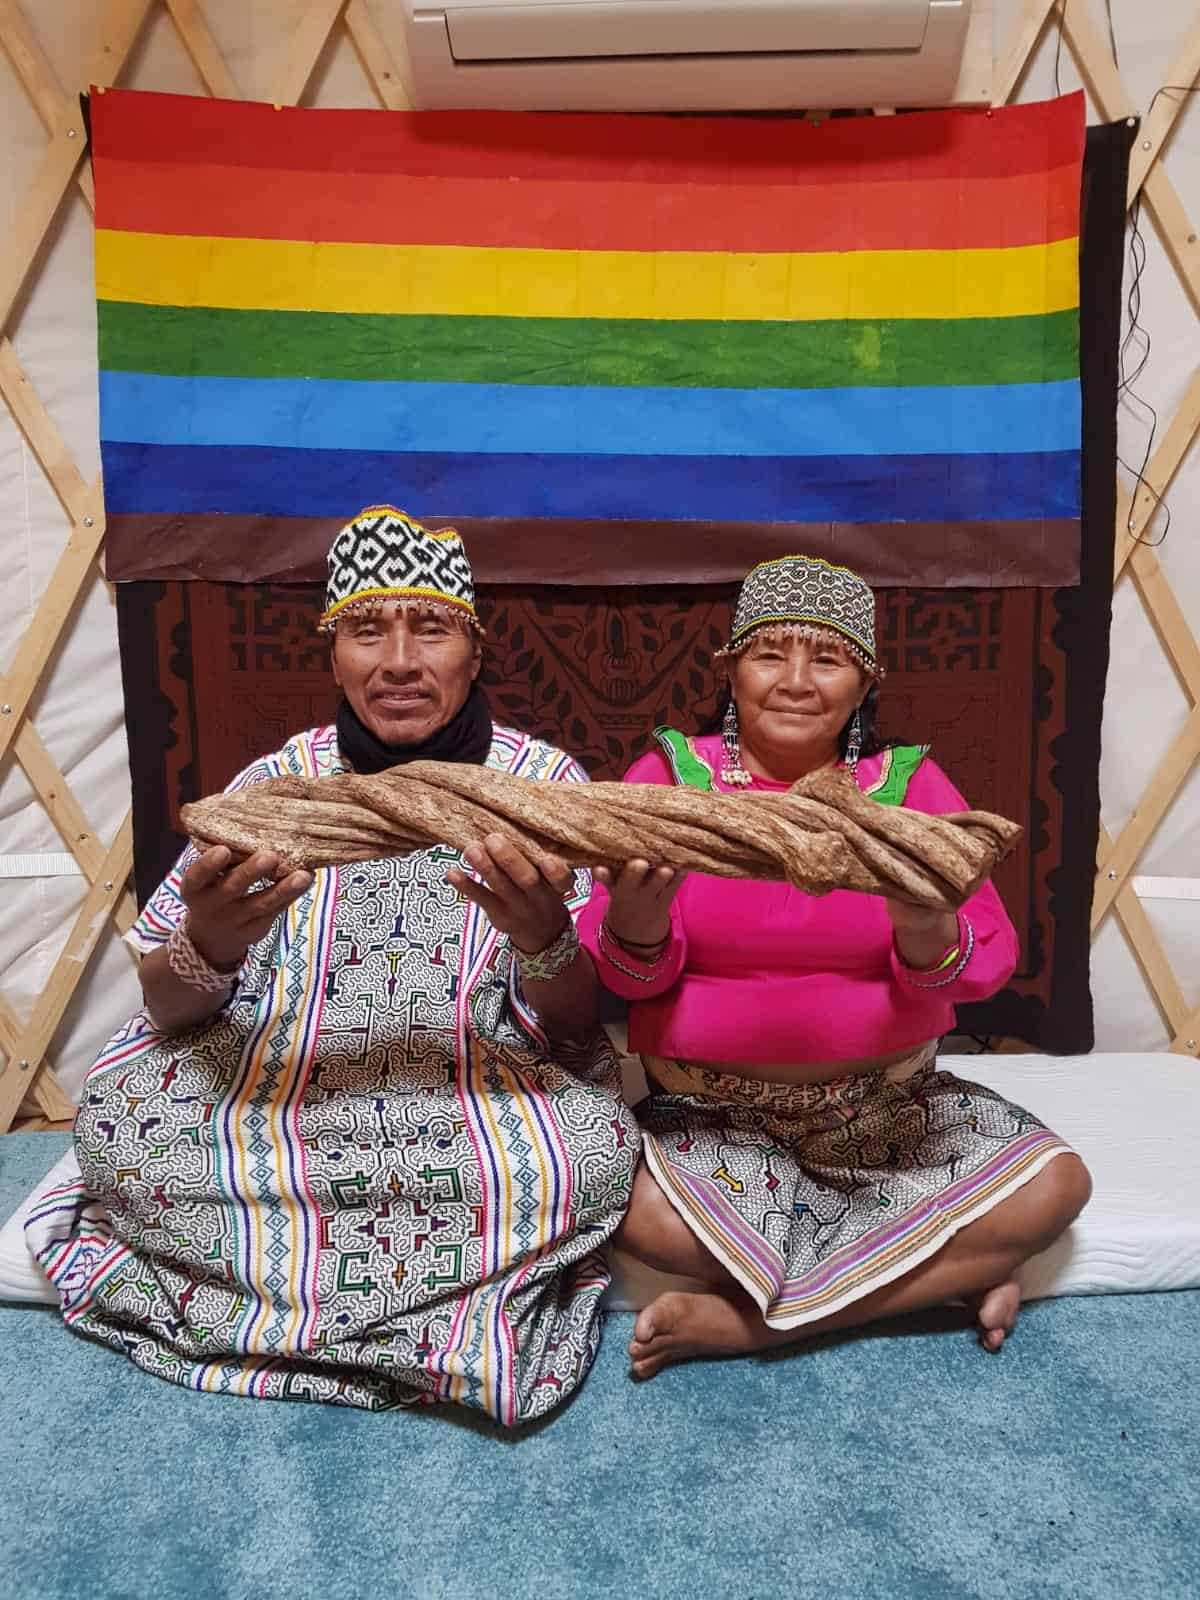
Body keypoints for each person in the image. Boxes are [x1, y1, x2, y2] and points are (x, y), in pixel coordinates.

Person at [26, 506, 637, 1426]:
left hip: (473, 1086)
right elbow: (163, 1007)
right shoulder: (275, 790)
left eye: (429, 628)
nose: (398, 661)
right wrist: (213, 943)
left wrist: (543, 937)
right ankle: (432, 1332)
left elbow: (579, 1024)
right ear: (334, 652)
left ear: (474, 650)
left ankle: (277, 1308)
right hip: (281, 1085)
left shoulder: (542, 789)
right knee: (117, 1127)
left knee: (588, 1154)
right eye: (366, 629)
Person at [577, 554, 1091, 1379]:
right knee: (626, 1209)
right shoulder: (670, 780)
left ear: (865, 683)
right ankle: (936, 1280)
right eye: (770, 653)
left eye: (828, 657)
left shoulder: (908, 786)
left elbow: (988, 963)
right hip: (712, 1118)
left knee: (1057, 1187)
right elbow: (625, 977)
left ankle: (764, 1325)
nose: (795, 680)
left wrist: (925, 924)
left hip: (890, 1111)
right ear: (731, 671)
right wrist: (637, 926)